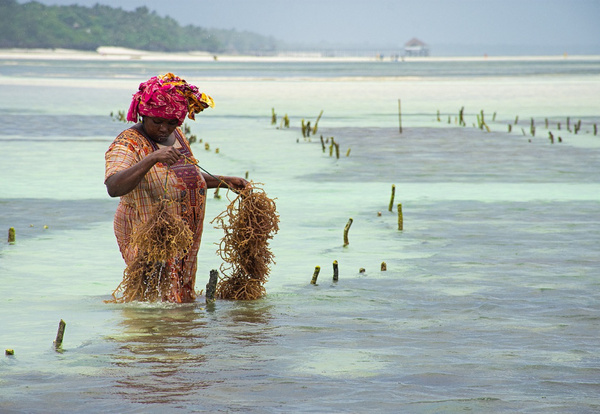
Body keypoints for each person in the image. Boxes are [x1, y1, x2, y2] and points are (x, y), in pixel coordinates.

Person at [105, 73, 247, 303]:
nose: (164, 128)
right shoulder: (127, 143)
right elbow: (113, 186)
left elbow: (183, 178)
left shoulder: (177, 137)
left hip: (183, 237)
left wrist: (225, 181)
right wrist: (152, 158)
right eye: (157, 121)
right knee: (151, 298)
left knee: (179, 300)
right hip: (149, 234)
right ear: (143, 114)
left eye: (172, 123)